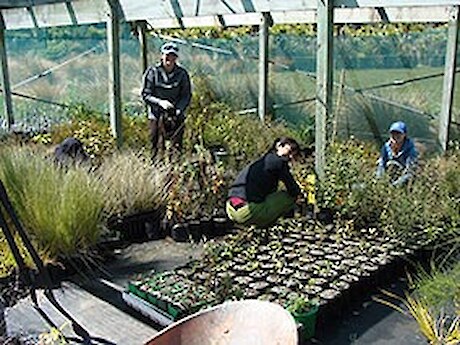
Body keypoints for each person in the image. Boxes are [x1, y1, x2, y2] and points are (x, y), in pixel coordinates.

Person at [226, 137, 302, 228]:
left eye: (294, 155)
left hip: (230, 208)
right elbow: (294, 190)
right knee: (289, 197)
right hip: (246, 212)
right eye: (289, 152)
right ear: (278, 146)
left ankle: (262, 224)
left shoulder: (262, 161)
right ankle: (280, 225)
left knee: (270, 197)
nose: (290, 157)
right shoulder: (279, 162)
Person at [141, 42, 192, 159]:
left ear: (176, 58)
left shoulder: (182, 74)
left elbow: (186, 95)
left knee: (176, 147)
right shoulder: (152, 72)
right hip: (156, 114)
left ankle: (174, 170)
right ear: (162, 56)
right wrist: (160, 102)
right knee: (155, 144)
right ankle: (155, 168)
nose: (170, 59)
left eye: (173, 56)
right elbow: (146, 94)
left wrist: (179, 109)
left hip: (175, 114)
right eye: (167, 55)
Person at [376, 121, 418, 186]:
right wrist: (380, 181)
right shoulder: (386, 147)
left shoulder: (411, 150)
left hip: (402, 181)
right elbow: (381, 165)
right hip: (387, 178)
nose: (395, 136)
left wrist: (395, 185)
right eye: (393, 133)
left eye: (398, 133)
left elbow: (410, 171)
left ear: (404, 135)